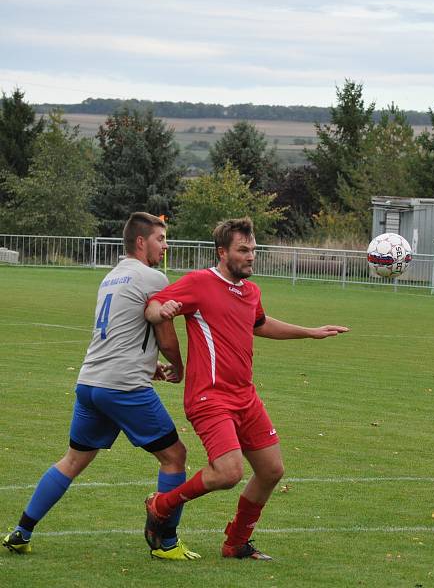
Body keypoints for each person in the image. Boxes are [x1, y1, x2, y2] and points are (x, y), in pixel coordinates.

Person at [142, 217, 348, 561]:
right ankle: (161, 505)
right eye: (243, 250)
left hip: (245, 396)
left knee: (271, 470)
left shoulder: (251, 291)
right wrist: (162, 310)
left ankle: (236, 542)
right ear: (223, 252)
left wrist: (310, 332)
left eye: (253, 249)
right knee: (229, 472)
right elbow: (152, 307)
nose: (251, 256)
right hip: (209, 397)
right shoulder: (199, 282)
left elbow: (260, 324)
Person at [2, 212, 199, 560]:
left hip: (90, 383)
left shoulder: (111, 277)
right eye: (161, 239)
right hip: (123, 387)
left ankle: (22, 531)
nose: (166, 246)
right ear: (141, 242)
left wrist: (146, 365)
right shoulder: (152, 277)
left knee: (73, 460)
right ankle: (166, 543)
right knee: (174, 457)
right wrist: (178, 367)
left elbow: (119, 333)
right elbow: (165, 336)